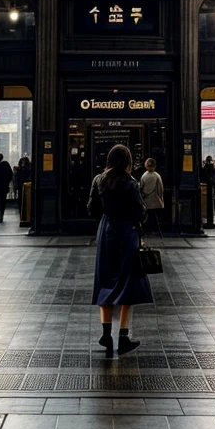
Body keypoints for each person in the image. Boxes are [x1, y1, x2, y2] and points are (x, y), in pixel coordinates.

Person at [88, 144, 152, 357]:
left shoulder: (99, 180)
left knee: (105, 279)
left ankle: (106, 334)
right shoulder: (130, 183)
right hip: (126, 233)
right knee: (128, 282)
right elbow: (139, 212)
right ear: (127, 161)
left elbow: (92, 209)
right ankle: (123, 337)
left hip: (106, 231)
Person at [139, 158, 164, 233]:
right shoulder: (157, 176)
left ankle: (147, 230)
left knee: (147, 216)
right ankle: (154, 229)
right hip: (156, 200)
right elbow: (160, 189)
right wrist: (161, 198)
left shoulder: (144, 176)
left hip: (147, 200)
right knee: (154, 215)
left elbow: (141, 188)